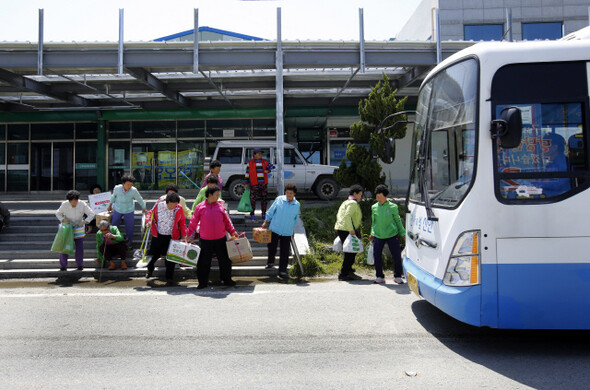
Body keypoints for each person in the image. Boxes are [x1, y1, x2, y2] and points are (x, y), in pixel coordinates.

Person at [186, 185, 239, 289]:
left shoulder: (220, 206)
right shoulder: (200, 207)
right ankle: (202, 282)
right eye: (216, 194)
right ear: (210, 195)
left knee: (225, 260)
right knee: (203, 262)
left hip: (221, 238)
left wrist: (233, 232)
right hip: (205, 239)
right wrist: (188, 235)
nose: (218, 196)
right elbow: (193, 222)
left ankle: (227, 280)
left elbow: (227, 222)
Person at [145, 192, 187, 284]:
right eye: (172, 204)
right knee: (153, 256)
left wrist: (184, 235)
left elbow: (182, 223)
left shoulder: (178, 208)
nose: (173, 207)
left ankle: (169, 278)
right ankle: (150, 270)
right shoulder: (158, 205)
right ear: (167, 202)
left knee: (170, 258)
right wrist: (148, 221)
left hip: (172, 237)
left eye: (175, 204)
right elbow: (150, 213)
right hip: (158, 235)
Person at [262, 182, 300, 279]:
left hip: (287, 231)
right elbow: (271, 211)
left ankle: (282, 271)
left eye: (290, 193)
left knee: (285, 252)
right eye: (287, 193)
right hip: (275, 228)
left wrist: (292, 230)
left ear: (294, 194)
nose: (288, 195)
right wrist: (266, 222)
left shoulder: (297, 204)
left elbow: (295, 218)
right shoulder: (279, 199)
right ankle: (270, 262)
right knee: (271, 247)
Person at [369, 185, 406, 284]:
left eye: (380, 197)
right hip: (378, 235)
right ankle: (379, 276)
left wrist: (403, 233)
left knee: (397, 255)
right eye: (377, 197)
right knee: (377, 255)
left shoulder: (393, 207)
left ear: (386, 196)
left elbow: (398, 221)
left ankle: (397, 276)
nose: (379, 199)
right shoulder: (374, 207)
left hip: (392, 234)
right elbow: (374, 222)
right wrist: (372, 233)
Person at [55, 190, 95, 271]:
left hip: (78, 226)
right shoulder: (64, 204)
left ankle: (80, 264)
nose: (74, 203)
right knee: (64, 246)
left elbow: (91, 213)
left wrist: (85, 222)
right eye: (72, 202)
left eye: (76, 201)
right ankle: (63, 265)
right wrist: (63, 219)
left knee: (79, 247)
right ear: (69, 201)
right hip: (67, 226)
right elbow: (58, 213)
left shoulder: (82, 204)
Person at [107, 174, 147, 248]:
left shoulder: (133, 190)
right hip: (118, 208)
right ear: (123, 183)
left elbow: (139, 199)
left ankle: (129, 243)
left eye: (131, 185)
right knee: (114, 225)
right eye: (128, 184)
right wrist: (109, 206)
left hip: (129, 210)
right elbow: (113, 197)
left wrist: (143, 207)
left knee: (130, 227)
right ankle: (112, 241)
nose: (129, 187)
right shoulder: (117, 188)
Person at [334, 184, 364, 281]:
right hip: (347, 229)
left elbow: (339, 214)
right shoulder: (352, 203)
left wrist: (337, 226)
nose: (361, 197)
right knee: (350, 252)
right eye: (360, 194)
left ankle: (349, 268)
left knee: (351, 250)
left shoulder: (346, 202)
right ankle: (343, 274)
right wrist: (351, 230)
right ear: (355, 194)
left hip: (343, 228)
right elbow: (347, 216)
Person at [245, 148, 273, 220]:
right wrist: (246, 183)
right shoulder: (250, 163)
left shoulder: (265, 162)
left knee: (264, 199)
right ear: (254, 155)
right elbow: (247, 174)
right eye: (258, 153)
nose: (260, 155)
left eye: (261, 153)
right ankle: (252, 214)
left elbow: (271, 167)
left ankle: (263, 213)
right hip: (254, 184)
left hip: (263, 184)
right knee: (253, 200)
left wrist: (268, 170)